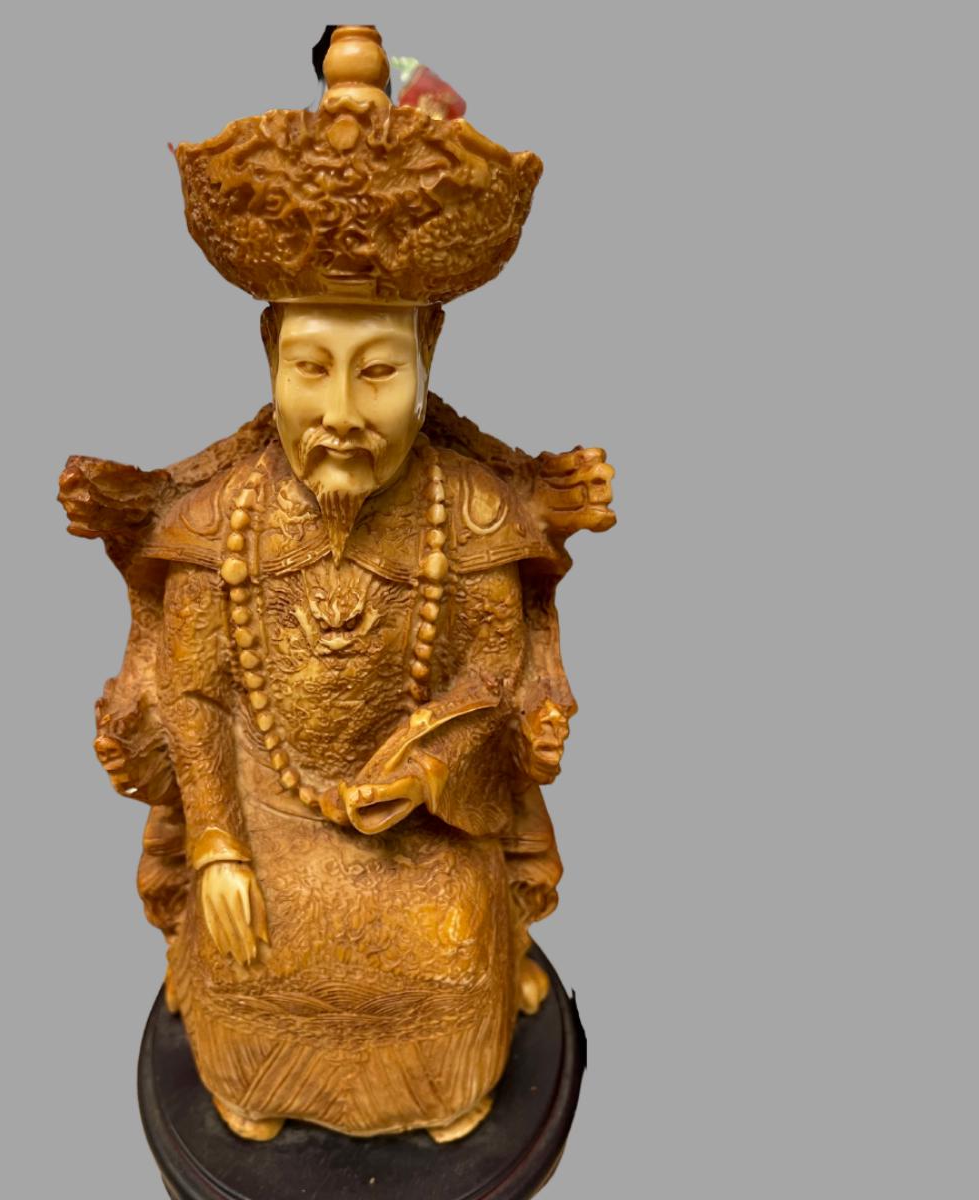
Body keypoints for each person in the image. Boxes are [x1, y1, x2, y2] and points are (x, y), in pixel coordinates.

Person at [58, 25, 615, 1143]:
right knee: (243, 952)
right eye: (311, 368)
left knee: (449, 947)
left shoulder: (471, 515)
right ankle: (248, 1077)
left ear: (428, 359)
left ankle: (456, 1077)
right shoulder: (222, 523)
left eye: (378, 371)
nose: (343, 413)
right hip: (263, 813)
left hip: (421, 827)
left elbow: (493, 672)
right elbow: (198, 696)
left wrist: (429, 767)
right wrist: (217, 846)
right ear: (270, 353)